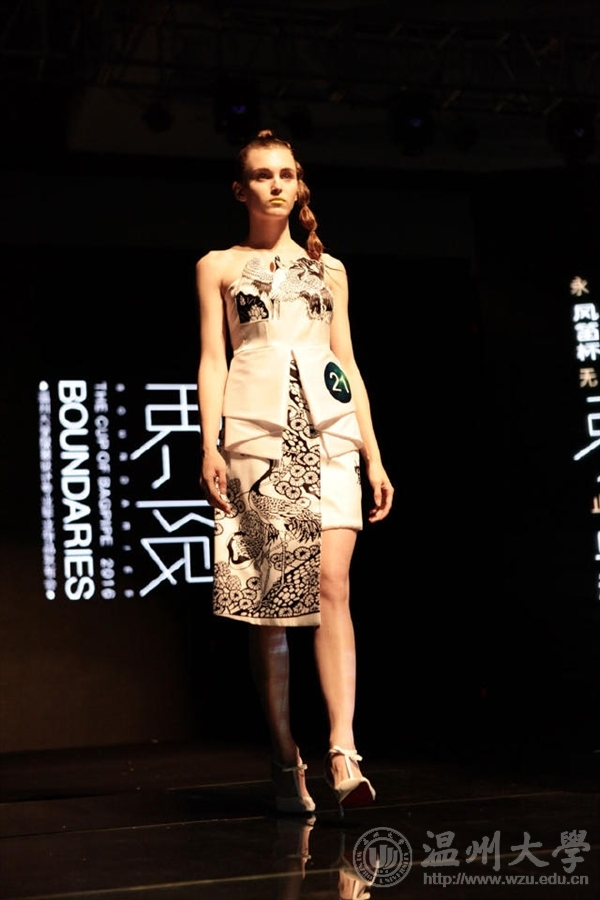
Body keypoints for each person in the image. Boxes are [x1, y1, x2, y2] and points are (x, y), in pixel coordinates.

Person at [196, 129, 393, 815]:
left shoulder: (328, 269)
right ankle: (285, 755)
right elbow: (214, 359)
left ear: (299, 183)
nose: (276, 184)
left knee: (334, 584)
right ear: (241, 189)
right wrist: (209, 444)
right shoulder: (219, 266)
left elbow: (347, 361)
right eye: (262, 174)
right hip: (257, 434)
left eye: (286, 173)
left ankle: (343, 750)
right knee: (272, 608)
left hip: (329, 429)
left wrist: (373, 452)